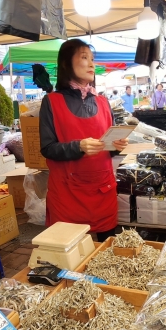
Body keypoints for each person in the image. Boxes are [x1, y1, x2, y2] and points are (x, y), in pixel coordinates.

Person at [39, 39, 128, 242]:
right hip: (67, 193)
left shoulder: (104, 102)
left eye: (92, 59)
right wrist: (78, 146)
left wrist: (116, 147)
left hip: (102, 190)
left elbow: (108, 146)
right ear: (66, 63)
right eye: (84, 57)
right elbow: (47, 148)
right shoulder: (51, 101)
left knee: (108, 250)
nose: (91, 64)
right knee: (71, 252)